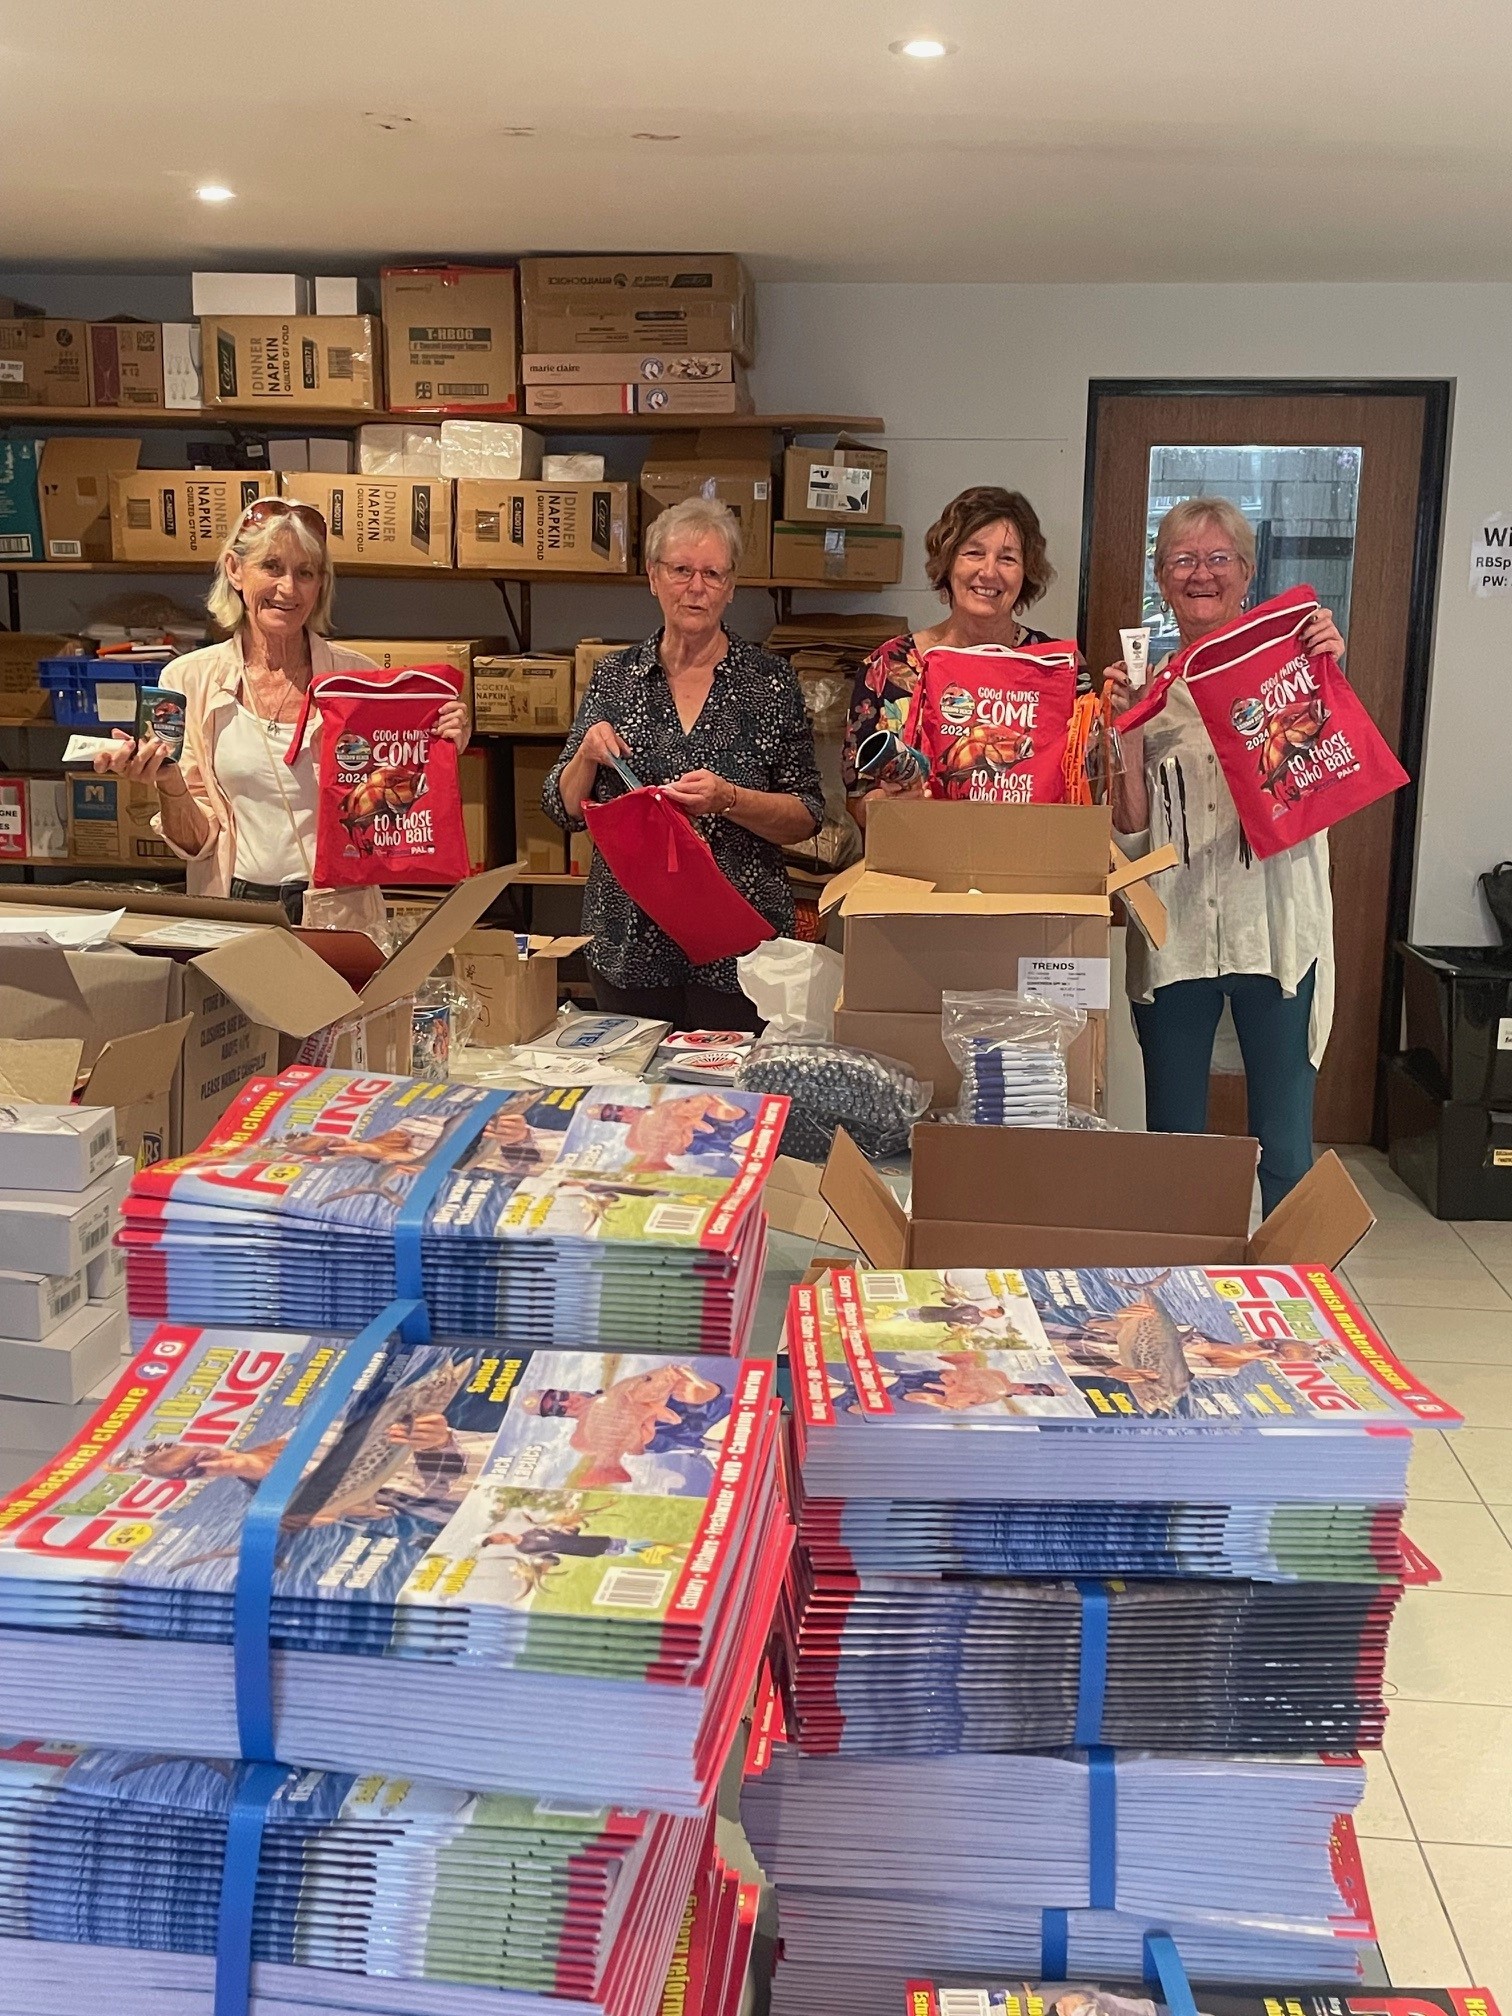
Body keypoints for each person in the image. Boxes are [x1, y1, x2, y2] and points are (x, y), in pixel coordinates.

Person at [1103, 496, 1346, 1213]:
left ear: (1247, 572)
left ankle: (1287, 1305)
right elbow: (1129, 824)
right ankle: (1183, 1294)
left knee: (1285, 1143)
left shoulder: (1293, 669)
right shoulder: (1149, 685)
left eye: (1217, 559)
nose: (1200, 574)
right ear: (1162, 577)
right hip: (1175, 933)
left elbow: (1330, 777)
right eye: (1182, 560)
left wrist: (1329, 674)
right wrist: (1125, 729)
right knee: (1176, 1145)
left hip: (1273, 932)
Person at [90, 496, 469, 930]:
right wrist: (170, 783)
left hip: (337, 912)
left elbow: (393, 809)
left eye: (305, 572)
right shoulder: (187, 679)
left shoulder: (360, 679)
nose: (288, 588)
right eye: (271, 567)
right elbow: (196, 844)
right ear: (235, 570)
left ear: (320, 584)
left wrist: (439, 743)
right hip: (231, 911)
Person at [543, 496, 823, 1033]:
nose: (696, 587)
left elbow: (806, 813)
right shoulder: (615, 677)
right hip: (629, 942)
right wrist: (584, 753)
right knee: (632, 1104)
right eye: (681, 570)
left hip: (739, 951)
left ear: (731, 587)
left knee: (730, 1101)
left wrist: (730, 799)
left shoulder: (769, 682)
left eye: (712, 573)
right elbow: (563, 806)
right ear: (653, 577)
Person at [841, 485, 1069, 825]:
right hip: (919, 867)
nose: (989, 572)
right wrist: (886, 803)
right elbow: (856, 800)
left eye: (1007, 558)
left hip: (1026, 864)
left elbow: (1084, 788)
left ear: (1026, 574)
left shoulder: (1056, 670)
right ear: (948, 563)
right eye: (974, 553)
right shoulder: (887, 668)